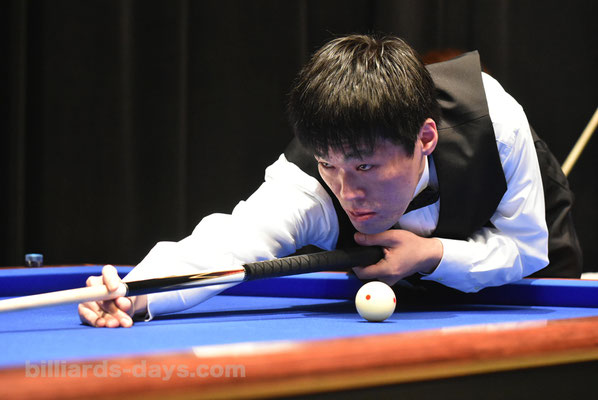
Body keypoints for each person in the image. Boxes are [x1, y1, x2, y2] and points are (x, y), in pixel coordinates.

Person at [79, 34, 582, 328]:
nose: (347, 192)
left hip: (525, 278)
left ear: (425, 138)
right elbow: (230, 242)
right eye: (329, 165)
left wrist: (432, 255)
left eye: (365, 167)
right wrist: (134, 293)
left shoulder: (495, 123)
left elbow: (526, 246)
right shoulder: (306, 182)